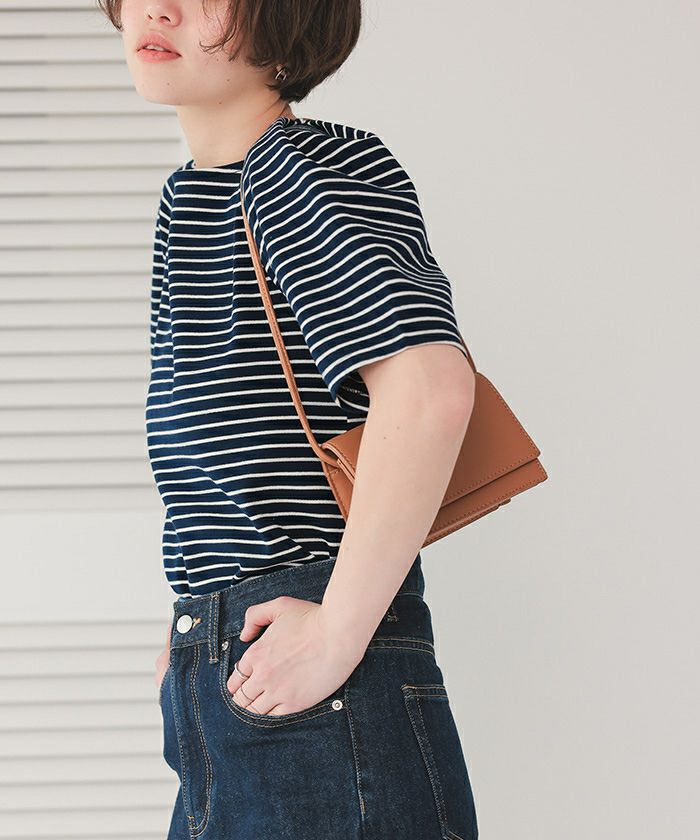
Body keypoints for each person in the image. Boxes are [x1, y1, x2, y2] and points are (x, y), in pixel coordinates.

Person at [103, 0, 479, 837]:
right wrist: (199, 631)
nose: (157, 9)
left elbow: (429, 390)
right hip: (240, 671)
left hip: (317, 682)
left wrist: (336, 630)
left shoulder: (299, 167)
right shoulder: (195, 196)